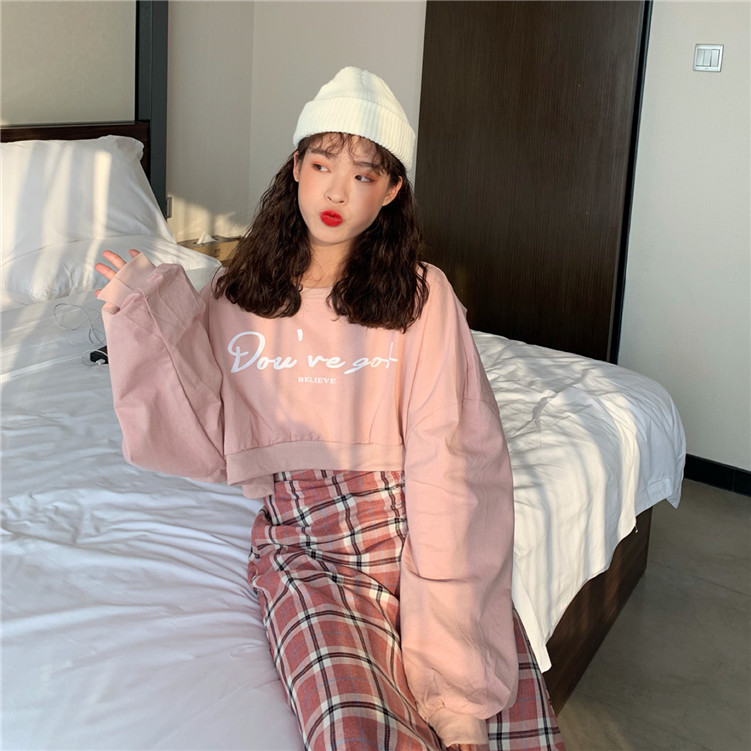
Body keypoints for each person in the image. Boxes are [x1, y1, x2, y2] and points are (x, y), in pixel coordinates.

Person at [95, 67, 565, 751]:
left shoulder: (421, 295)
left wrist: (457, 692)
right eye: (321, 164)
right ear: (295, 167)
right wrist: (143, 310)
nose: (337, 191)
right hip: (300, 540)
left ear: (392, 190)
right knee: (352, 722)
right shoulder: (238, 295)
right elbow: (199, 427)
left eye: (364, 174)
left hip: (409, 526)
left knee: (488, 724)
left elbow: (454, 460)